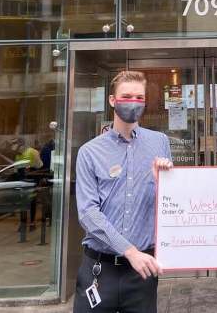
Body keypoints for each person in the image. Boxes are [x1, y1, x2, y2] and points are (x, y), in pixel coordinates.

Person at [74, 70, 173, 313]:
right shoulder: (89, 152)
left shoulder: (159, 142)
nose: (133, 102)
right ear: (112, 100)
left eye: (139, 97)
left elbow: (169, 205)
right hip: (99, 268)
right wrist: (130, 252)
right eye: (127, 96)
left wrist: (164, 182)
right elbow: (88, 213)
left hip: (142, 272)